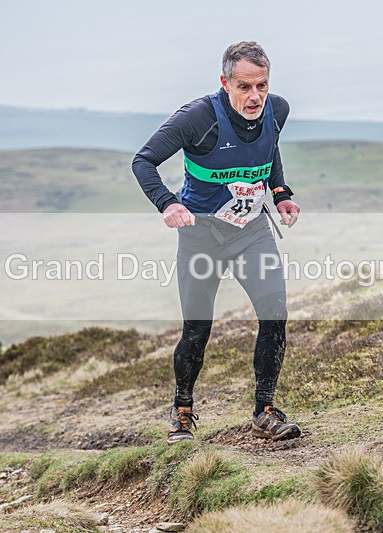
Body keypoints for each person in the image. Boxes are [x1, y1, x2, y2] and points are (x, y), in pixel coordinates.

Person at [132, 41, 301, 445]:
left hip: (250, 231)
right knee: (197, 329)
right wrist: (167, 204)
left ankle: (264, 410)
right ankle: (182, 410)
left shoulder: (277, 109)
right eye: (244, 86)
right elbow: (143, 161)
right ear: (225, 83)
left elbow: (269, 148)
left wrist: (280, 193)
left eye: (261, 85)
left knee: (274, 313)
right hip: (201, 234)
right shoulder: (198, 117)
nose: (255, 96)